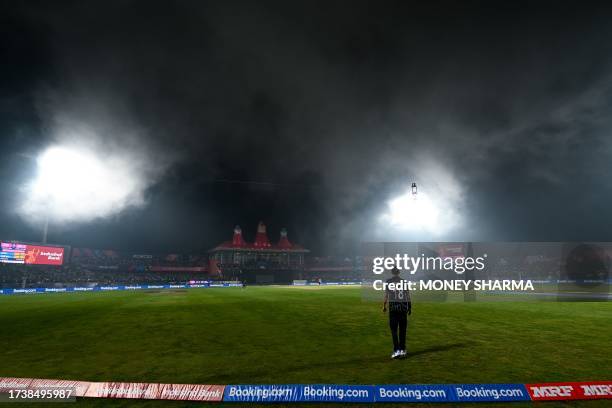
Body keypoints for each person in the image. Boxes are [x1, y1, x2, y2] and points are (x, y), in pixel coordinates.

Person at [382, 267, 411, 359]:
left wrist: (384, 306)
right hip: (403, 308)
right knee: (403, 330)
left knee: (394, 330)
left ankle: (396, 350)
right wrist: (410, 307)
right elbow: (407, 295)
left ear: (392, 272)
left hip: (393, 308)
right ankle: (403, 350)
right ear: (399, 272)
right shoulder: (404, 282)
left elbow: (386, 295)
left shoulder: (388, 282)